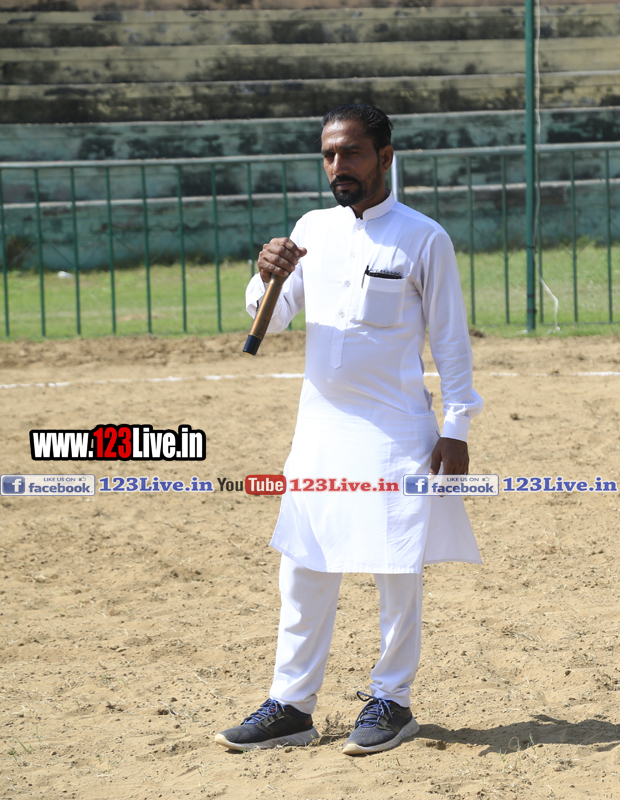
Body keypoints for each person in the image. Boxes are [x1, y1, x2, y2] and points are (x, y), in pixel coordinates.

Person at [214, 103, 483, 756]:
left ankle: (392, 700)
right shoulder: (311, 230)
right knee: (305, 565)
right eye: (329, 154)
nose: (338, 166)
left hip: (396, 432)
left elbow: (450, 342)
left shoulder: (424, 237)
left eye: (352, 153)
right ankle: (291, 706)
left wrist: (456, 425)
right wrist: (266, 274)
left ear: (385, 157)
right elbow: (271, 317)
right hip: (319, 431)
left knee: (396, 567)